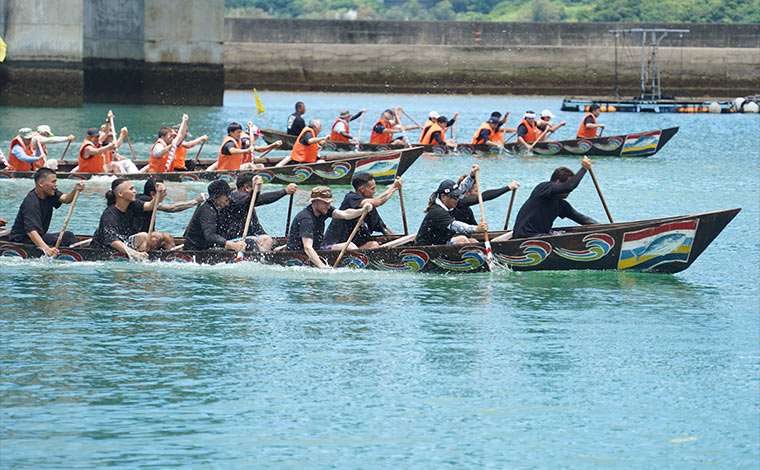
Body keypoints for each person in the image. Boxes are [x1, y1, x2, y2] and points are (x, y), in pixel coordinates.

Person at [512, 156, 598, 239]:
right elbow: (569, 187)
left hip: (542, 235)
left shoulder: (561, 204)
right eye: (566, 185)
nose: (569, 192)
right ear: (557, 182)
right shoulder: (543, 188)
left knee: (569, 234)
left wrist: (606, 228)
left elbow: (582, 219)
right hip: (525, 236)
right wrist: (584, 169)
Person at [285, 186, 372, 268]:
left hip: (317, 249)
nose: (328, 206)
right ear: (314, 202)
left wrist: (362, 210)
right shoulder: (306, 219)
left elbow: (345, 214)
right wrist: (322, 267)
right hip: (298, 254)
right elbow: (308, 248)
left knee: (350, 245)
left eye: (329, 203)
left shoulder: (324, 210)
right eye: (325, 203)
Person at [9, 168, 84, 257]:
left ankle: (80, 253)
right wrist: (46, 249)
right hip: (22, 240)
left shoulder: (50, 193)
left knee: (68, 236)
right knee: (53, 240)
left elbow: (66, 199)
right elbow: (31, 231)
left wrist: (75, 189)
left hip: (40, 236)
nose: (56, 185)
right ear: (41, 183)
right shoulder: (31, 203)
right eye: (53, 182)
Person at [218, 172, 297, 252]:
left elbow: (257, 228)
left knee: (267, 239)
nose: (260, 191)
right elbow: (260, 199)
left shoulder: (249, 204)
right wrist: (285, 191)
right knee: (253, 240)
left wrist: (271, 241)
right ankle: (264, 256)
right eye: (258, 189)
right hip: (232, 241)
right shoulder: (235, 197)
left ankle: (269, 253)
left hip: (248, 239)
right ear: (247, 188)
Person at [90, 178, 166, 260]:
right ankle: (140, 261)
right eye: (131, 189)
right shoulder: (109, 215)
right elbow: (113, 242)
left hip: (123, 242)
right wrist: (136, 254)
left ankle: (142, 261)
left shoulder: (132, 204)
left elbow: (150, 206)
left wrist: (159, 193)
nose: (135, 191)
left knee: (146, 236)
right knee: (143, 236)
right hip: (104, 248)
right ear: (120, 193)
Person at [323, 173, 401, 250]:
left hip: (354, 247)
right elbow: (377, 202)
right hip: (334, 247)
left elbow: (384, 228)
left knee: (375, 244)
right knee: (374, 245)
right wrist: (394, 187)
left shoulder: (370, 208)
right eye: (372, 189)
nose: (375, 191)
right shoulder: (351, 198)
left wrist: (399, 242)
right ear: (362, 189)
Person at [415, 165, 487, 246]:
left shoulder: (449, 204)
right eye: (454, 197)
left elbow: (463, 188)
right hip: (425, 248)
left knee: (474, 242)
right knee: (462, 240)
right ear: (443, 196)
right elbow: (455, 226)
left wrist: (472, 175)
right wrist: (476, 229)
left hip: (440, 245)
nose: (457, 199)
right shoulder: (437, 211)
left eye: (457, 196)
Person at [133, 176, 206, 250]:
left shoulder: (146, 199)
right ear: (152, 194)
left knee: (167, 237)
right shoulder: (143, 200)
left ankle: (173, 257)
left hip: (147, 237)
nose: (166, 194)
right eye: (163, 191)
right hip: (138, 240)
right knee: (163, 237)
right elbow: (171, 208)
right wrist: (196, 201)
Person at [183, 180, 248, 253]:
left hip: (211, 249)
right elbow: (210, 236)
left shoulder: (224, 205)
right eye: (227, 194)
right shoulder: (207, 211)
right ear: (216, 197)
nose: (230, 197)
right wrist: (233, 245)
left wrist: (257, 190)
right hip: (194, 252)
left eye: (230, 193)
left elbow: (247, 202)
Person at [451, 175, 520, 225]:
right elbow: (484, 197)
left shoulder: (467, 210)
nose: (479, 194)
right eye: (476, 191)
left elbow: (476, 230)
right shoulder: (459, 203)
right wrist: (508, 188)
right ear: (466, 194)